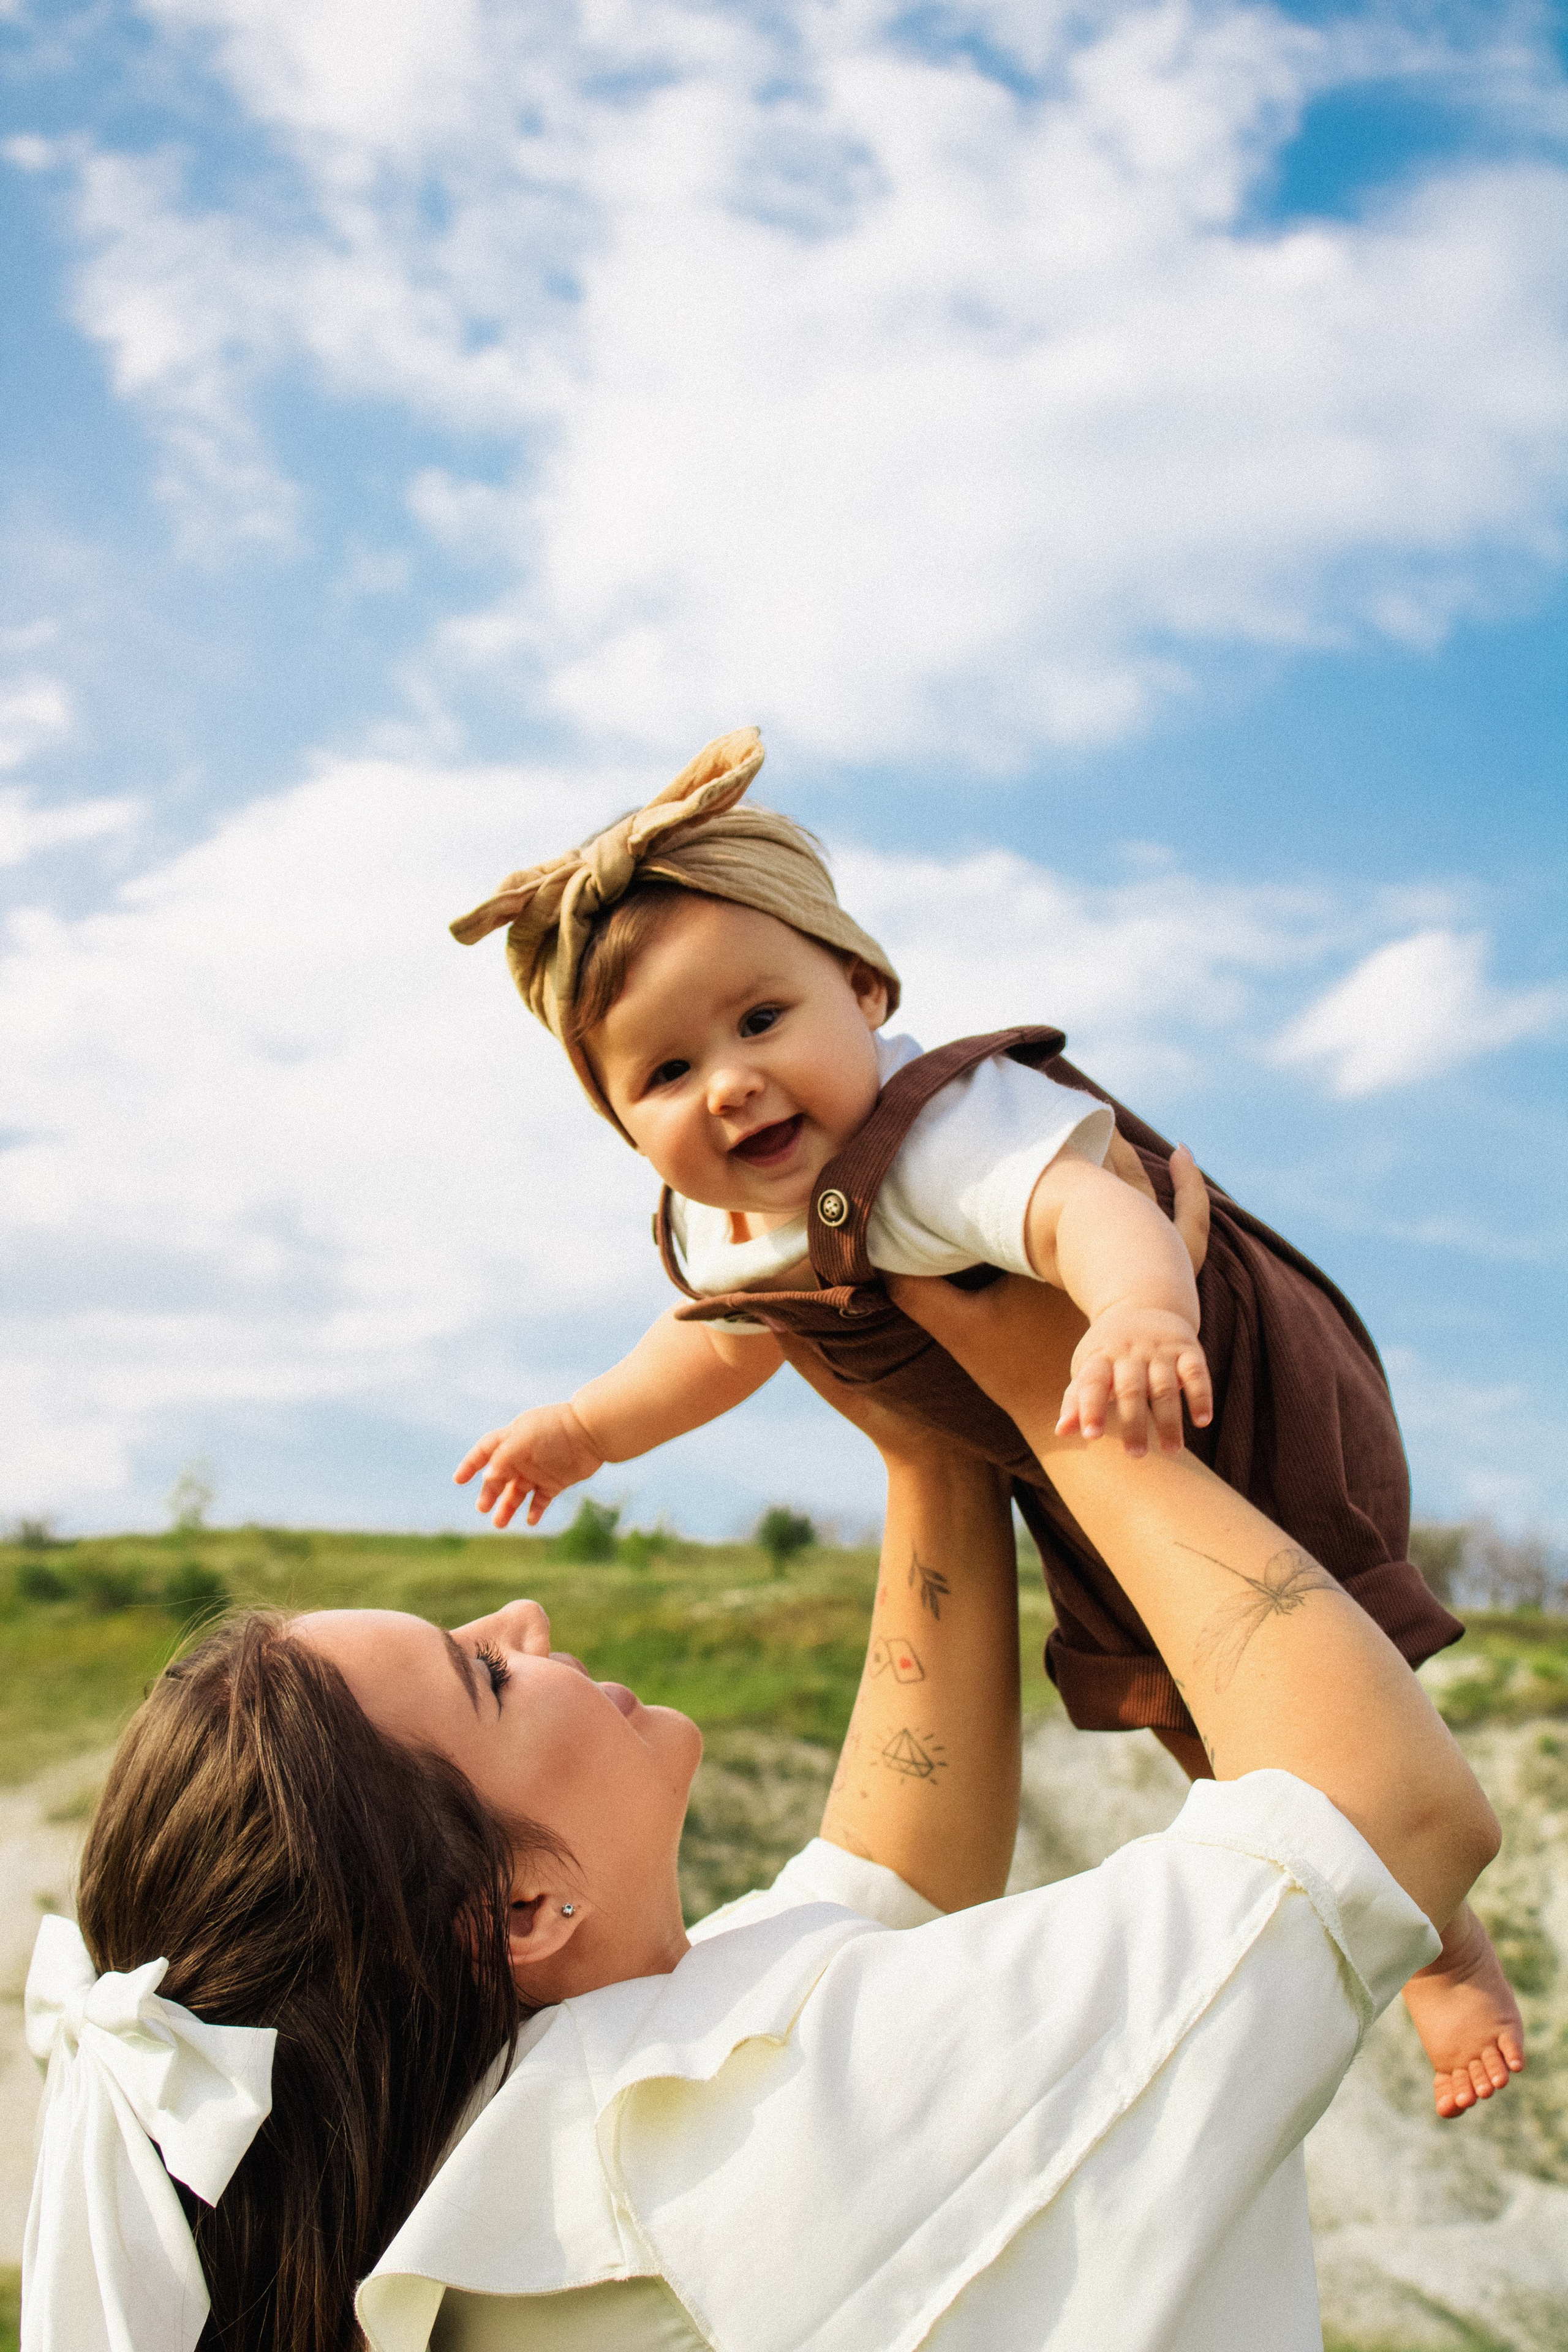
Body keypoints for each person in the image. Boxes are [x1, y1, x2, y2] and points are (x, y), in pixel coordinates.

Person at [26, 1279, 1502, 2352]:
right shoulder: (701, 2145)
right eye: (478, 1672)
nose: (525, 1610)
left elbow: (885, 1874)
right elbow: (1380, 1818)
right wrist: (1036, 1356)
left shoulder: (533, 2149)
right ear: (521, 1909)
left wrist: (921, 1436)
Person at [446, 725, 1520, 2111]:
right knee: (1207, 1724)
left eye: (759, 1021)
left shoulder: (949, 1127)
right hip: (1062, 1455)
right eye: (660, 1076)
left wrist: (1141, 1315)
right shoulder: (735, 1228)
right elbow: (716, 1348)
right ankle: (1409, 1935)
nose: (727, 1082)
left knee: (1318, 1684)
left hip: (1218, 1392)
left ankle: (1446, 1960)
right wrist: (588, 1431)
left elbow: (1091, 1208)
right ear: (622, 1126)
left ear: (863, 985)